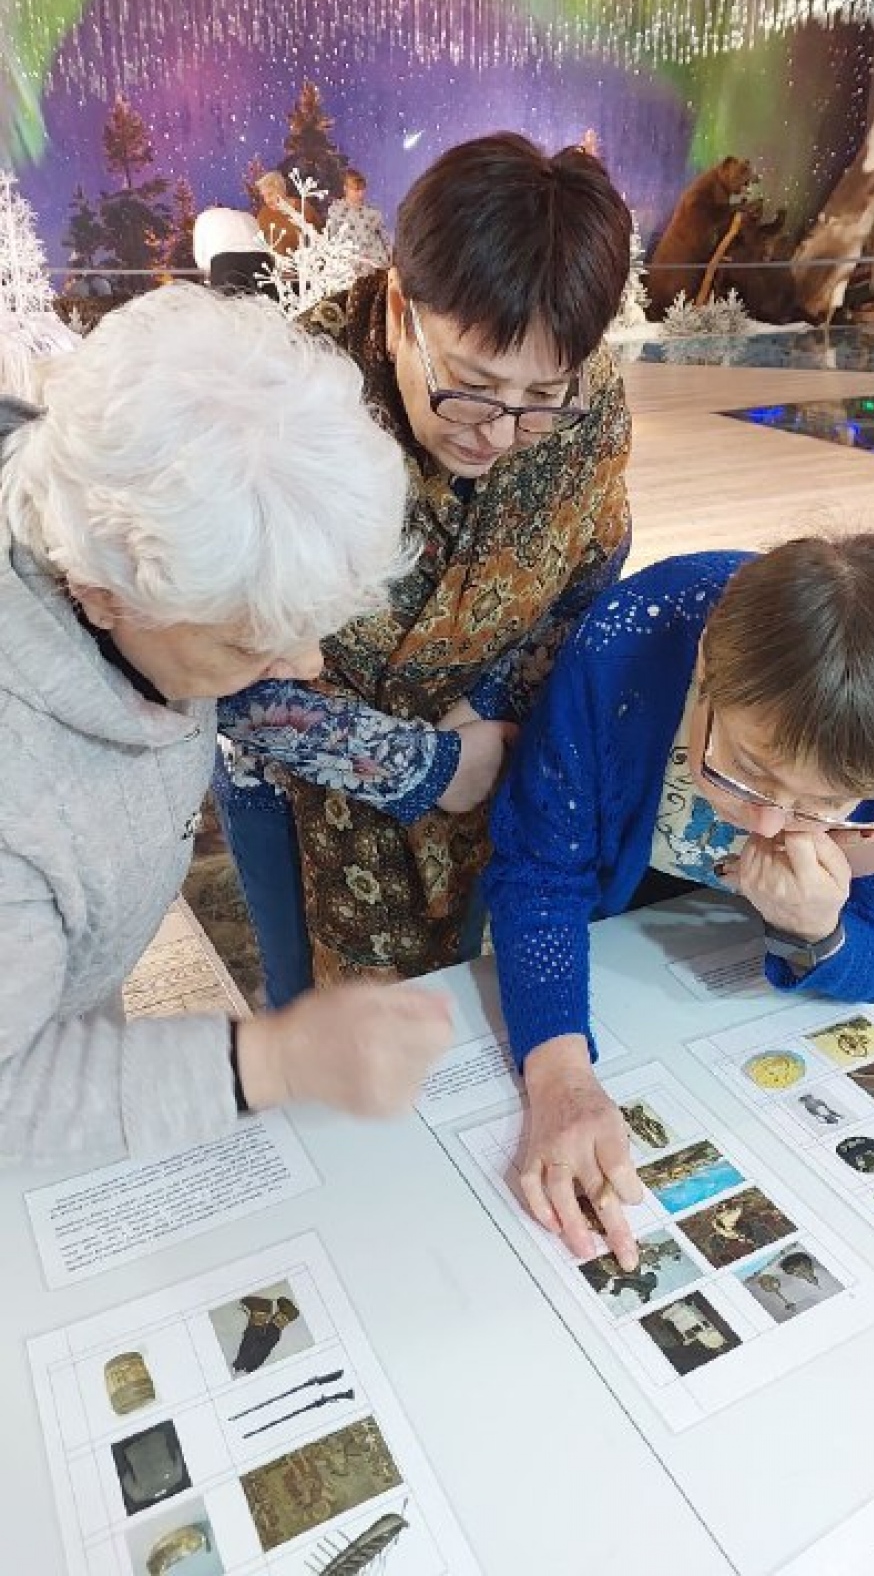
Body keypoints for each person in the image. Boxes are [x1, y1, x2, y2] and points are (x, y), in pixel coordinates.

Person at [0, 283, 452, 1162]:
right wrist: (268, 1062)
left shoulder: (104, 511)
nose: (308, 666)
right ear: (101, 592)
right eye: (251, 641)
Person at [483, 534, 874, 1269]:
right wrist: (560, 1075)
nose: (769, 825)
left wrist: (816, 928)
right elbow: (541, 870)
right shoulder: (633, 636)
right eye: (749, 769)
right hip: (629, 908)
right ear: (705, 671)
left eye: (828, 802)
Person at [214, 131, 633, 1002]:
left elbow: (592, 572)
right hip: (304, 783)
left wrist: (494, 701)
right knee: (312, 1015)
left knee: (456, 995)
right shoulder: (282, 405)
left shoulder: (587, 401)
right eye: (471, 384)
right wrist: (425, 766)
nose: (501, 432)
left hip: (486, 754)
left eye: (540, 398)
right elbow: (208, 664)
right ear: (402, 304)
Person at [323, 168, 392, 283]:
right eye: (356, 190)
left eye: (362, 190)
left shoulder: (373, 213)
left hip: (372, 266)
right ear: (345, 188)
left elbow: (385, 238)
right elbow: (330, 238)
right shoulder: (336, 211)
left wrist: (390, 259)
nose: (360, 194)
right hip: (346, 267)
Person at [255, 170, 322, 258]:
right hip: (281, 263)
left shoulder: (302, 207)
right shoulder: (263, 215)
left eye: (270, 194)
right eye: (263, 196)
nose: (267, 200)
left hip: (309, 259)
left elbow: (319, 232)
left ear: (281, 190)